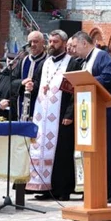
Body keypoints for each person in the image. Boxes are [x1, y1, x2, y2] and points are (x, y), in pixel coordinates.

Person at [28, 30, 81, 201]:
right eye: (50, 41)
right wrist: (31, 86)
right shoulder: (45, 63)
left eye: (55, 42)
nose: (51, 44)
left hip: (61, 115)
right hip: (42, 114)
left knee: (62, 153)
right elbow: (37, 83)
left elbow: (75, 90)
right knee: (42, 149)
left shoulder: (72, 63)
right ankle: (45, 187)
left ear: (64, 44)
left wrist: (70, 113)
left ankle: (62, 190)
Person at [72, 31, 111, 203]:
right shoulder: (84, 61)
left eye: (75, 45)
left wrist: (86, 80)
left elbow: (108, 77)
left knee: (110, 151)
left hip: (105, 113)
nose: (73, 50)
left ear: (84, 43)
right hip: (91, 112)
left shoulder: (101, 57)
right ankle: (95, 187)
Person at [11, 31, 47, 121]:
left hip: (41, 104)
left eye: (35, 41)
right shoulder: (23, 61)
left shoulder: (48, 61)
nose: (32, 44)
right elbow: (12, 81)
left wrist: (33, 86)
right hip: (22, 104)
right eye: (30, 42)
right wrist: (22, 82)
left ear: (43, 42)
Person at [0, 53, 18, 119]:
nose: (11, 64)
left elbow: (19, 94)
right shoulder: (0, 77)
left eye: (14, 62)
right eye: (9, 61)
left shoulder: (19, 77)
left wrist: (9, 102)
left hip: (12, 114)